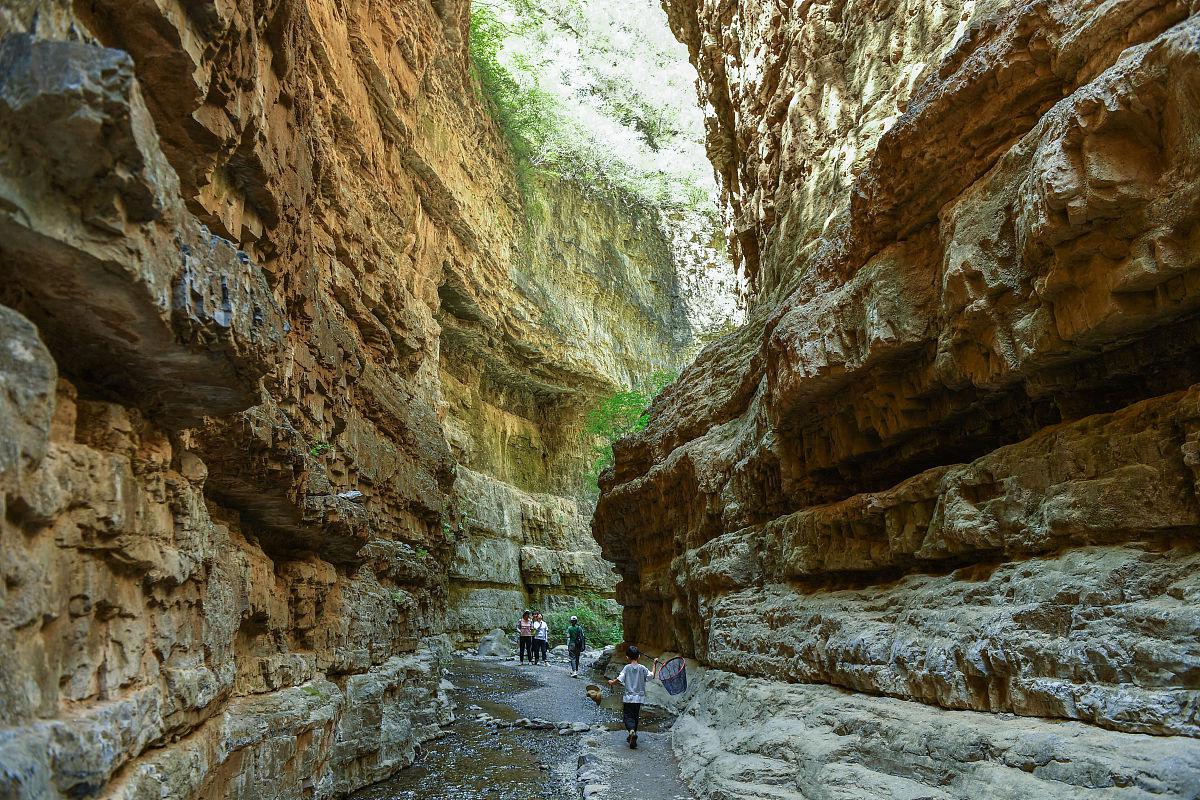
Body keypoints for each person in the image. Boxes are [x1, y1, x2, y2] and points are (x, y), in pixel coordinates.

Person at [608, 645, 659, 749]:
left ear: (627, 657)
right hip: (639, 698)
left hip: (628, 698)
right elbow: (651, 676)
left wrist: (612, 681)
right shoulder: (642, 668)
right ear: (639, 656)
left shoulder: (627, 668)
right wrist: (654, 664)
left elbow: (620, 678)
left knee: (627, 717)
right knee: (635, 717)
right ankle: (633, 734)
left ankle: (631, 731)